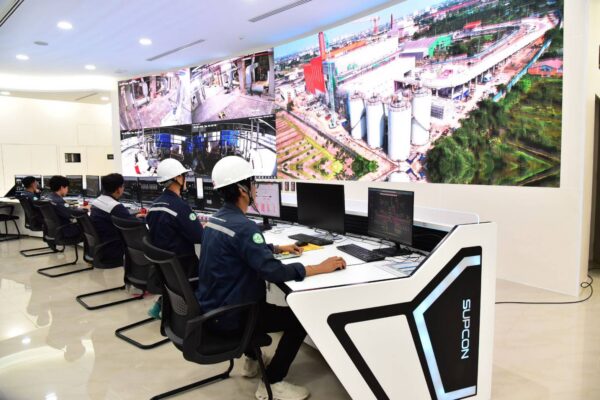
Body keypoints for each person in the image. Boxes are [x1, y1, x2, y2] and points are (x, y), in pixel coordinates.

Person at [195, 156, 346, 400]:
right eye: (252, 183)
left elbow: (238, 250)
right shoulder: (244, 227)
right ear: (242, 190)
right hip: (236, 315)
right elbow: (274, 272)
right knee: (300, 318)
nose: (255, 188)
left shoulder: (217, 220)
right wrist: (318, 267)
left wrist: (277, 248)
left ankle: (251, 361)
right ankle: (273, 382)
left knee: (264, 305)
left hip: (214, 308)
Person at [146, 158, 203, 276]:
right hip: (184, 268)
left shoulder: (153, 206)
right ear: (178, 178)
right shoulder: (180, 207)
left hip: (166, 271)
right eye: (183, 176)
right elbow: (199, 236)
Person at [89, 173, 143, 261]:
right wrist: (144, 218)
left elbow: (123, 218)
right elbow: (134, 224)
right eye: (123, 186)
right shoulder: (115, 207)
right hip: (114, 248)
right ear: (118, 189)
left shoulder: (97, 201)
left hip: (101, 245)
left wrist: (134, 216)